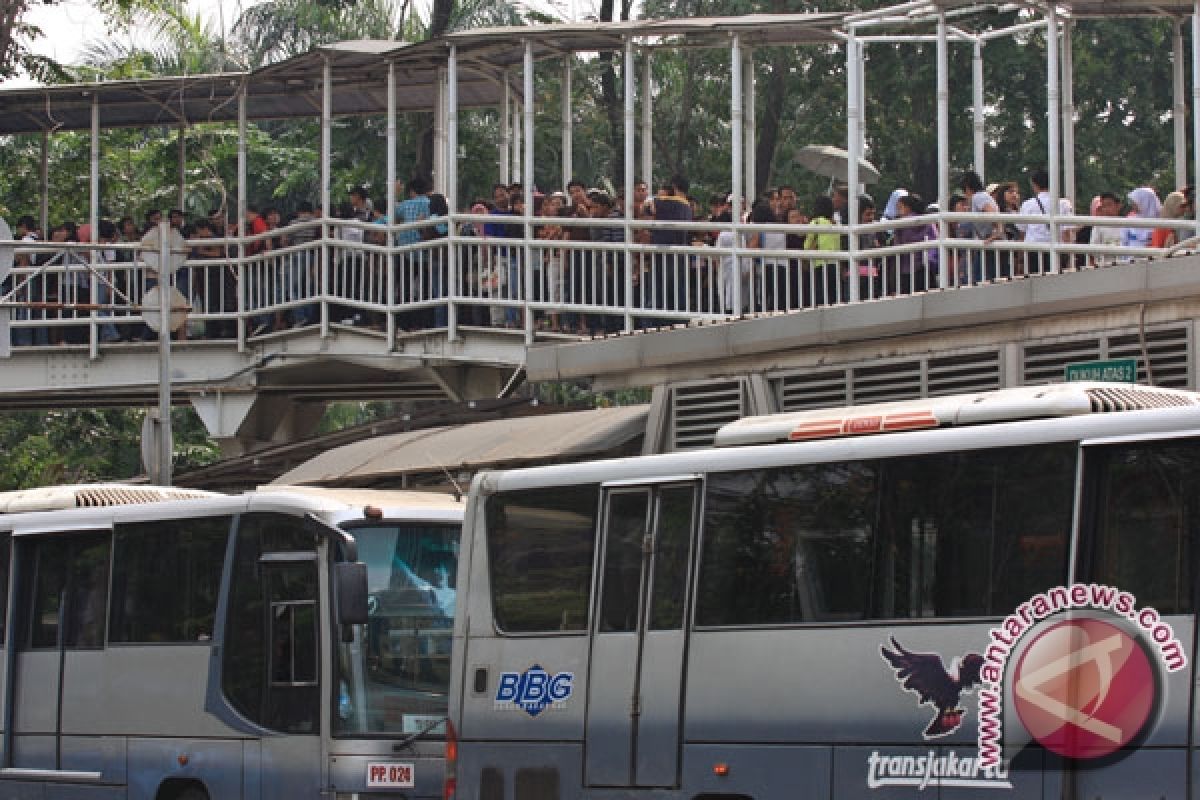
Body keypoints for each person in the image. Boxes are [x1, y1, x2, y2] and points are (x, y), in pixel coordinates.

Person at [1017, 169, 1072, 275]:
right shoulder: (1063, 203)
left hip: (1033, 249)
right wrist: (1069, 254)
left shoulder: (1027, 204)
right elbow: (1066, 232)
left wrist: (1020, 259)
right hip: (1057, 249)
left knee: (1035, 282)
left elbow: (1022, 231)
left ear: (1034, 184)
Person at [960, 170, 1002, 283]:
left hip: (990, 240)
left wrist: (996, 233)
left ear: (968, 188)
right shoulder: (984, 196)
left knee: (981, 277)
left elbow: (993, 214)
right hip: (990, 240)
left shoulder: (977, 197)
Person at [803, 194, 840, 307]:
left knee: (820, 297)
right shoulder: (835, 224)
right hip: (834, 264)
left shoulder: (815, 223)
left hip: (819, 264)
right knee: (833, 297)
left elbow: (807, 246)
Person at [1122, 187, 1161, 254]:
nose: (1132, 205)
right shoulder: (1129, 219)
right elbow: (1123, 241)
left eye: (1135, 202)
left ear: (1145, 201)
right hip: (1131, 259)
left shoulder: (1160, 222)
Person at [1089, 192, 1123, 266]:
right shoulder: (1098, 226)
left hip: (1124, 265)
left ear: (1118, 206)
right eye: (1104, 206)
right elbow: (1093, 250)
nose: (1106, 209)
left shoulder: (1126, 224)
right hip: (1104, 266)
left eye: (1109, 205)